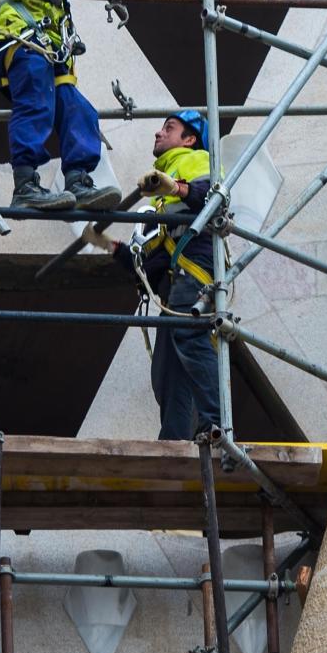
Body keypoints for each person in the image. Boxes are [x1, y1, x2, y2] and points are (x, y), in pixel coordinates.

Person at [82, 111, 221, 441]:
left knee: (192, 340)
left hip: (195, 268)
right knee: (167, 370)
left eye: (169, 128)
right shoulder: (164, 188)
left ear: (189, 138)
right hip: (175, 280)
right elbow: (150, 265)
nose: (159, 133)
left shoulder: (196, 159)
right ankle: (174, 439)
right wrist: (107, 245)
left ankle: (215, 425)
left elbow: (212, 198)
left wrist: (175, 186)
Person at [0, 0, 126, 211]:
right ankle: (26, 185)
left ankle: (77, 180)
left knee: (79, 110)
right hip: (23, 46)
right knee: (36, 104)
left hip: (48, 55)